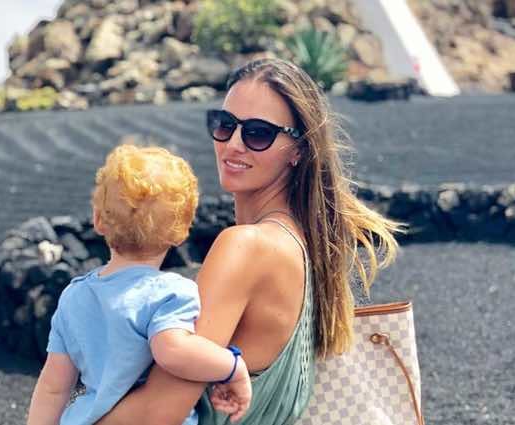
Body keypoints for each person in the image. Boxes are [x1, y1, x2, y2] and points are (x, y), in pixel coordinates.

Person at [97, 58, 407, 425]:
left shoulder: (246, 247)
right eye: (224, 125)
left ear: (299, 150)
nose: (234, 145)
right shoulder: (302, 244)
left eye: (258, 133)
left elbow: (158, 413)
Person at [26, 144, 252, 425]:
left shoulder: (74, 295)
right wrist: (232, 366)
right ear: (181, 233)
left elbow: (53, 387)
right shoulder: (170, 292)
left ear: (98, 220)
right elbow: (173, 350)